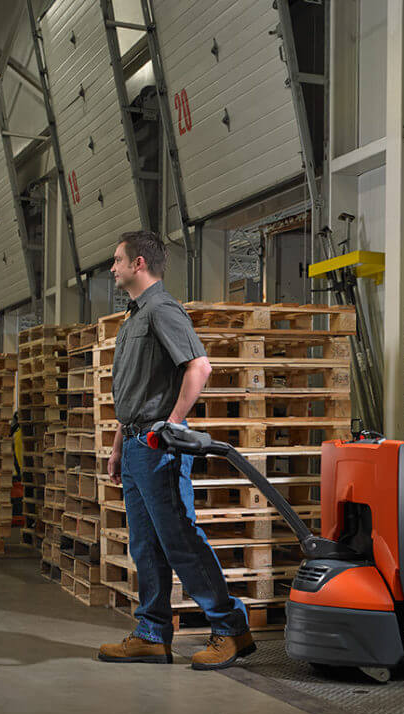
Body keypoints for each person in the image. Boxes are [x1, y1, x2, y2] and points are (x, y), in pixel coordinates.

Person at [97, 231, 255, 670]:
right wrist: (116, 447)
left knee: (179, 539)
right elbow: (132, 392)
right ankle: (151, 632)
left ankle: (230, 628)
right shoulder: (135, 317)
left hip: (156, 446)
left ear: (139, 263)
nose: (113, 268)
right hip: (134, 445)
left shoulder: (163, 310)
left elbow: (199, 366)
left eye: (117, 260)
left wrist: (172, 423)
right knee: (145, 544)